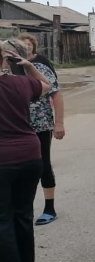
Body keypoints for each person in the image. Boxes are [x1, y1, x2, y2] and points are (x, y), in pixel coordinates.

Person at [0, 40, 51, 262]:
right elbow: (47, 85)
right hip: (30, 155)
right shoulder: (22, 83)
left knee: (2, 218)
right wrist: (30, 66)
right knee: (21, 214)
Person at [17, 34, 65, 225]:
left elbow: (57, 95)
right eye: (22, 45)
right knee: (17, 167)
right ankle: (21, 208)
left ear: (34, 48)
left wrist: (59, 123)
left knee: (42, 164)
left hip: (41, 123)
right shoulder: (9, 68)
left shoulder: (41, 67)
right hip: (16, 124)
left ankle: (49, 207)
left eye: (29, 45)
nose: (26, 48)